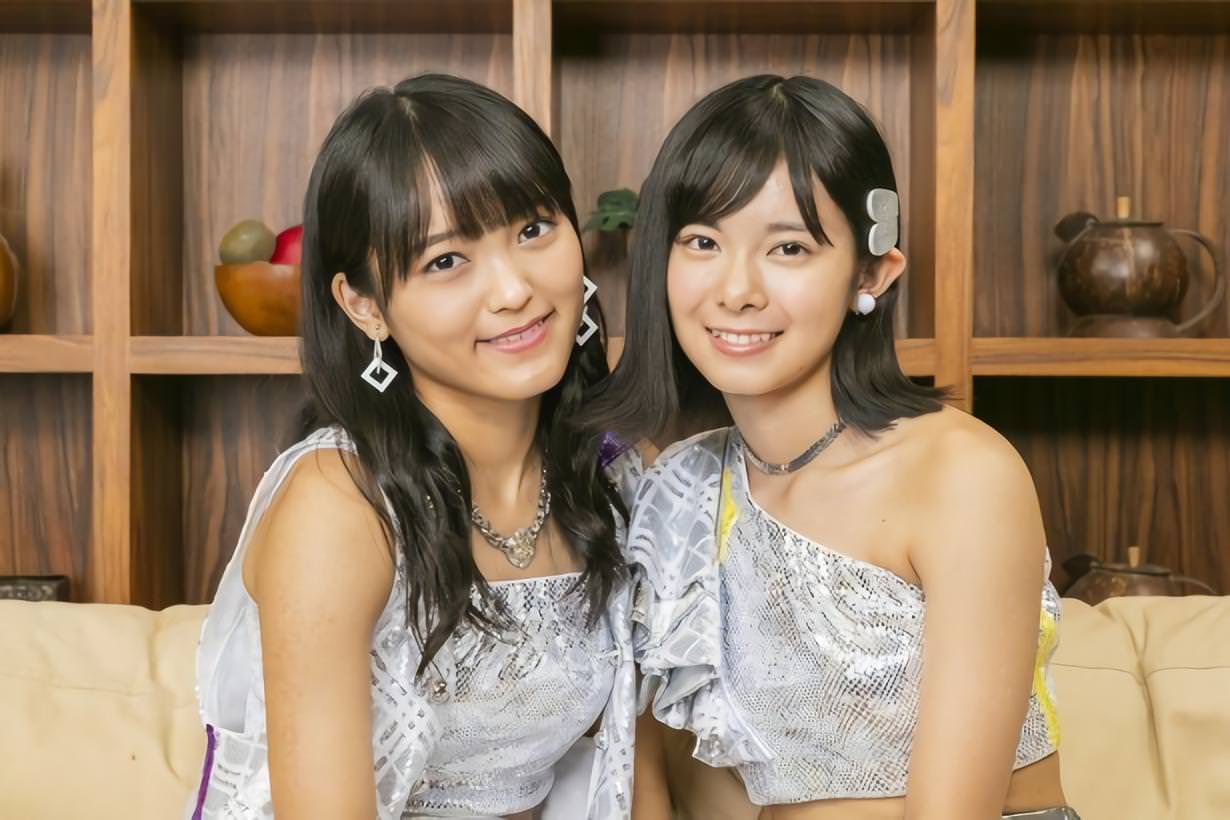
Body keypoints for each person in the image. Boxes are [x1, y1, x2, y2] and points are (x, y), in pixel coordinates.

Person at [589, 74, 1076, 820]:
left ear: (872, 272)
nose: (737, 290)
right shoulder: (679, 489)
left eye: (788, 247)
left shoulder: (961, 475)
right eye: (703, 242)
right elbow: (666, 769)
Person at [186, 74, 641, 820]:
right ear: (365, 306)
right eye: (446, 261)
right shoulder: (341, 505)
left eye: (534, 229)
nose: (514, 290)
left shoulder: (607, 478)